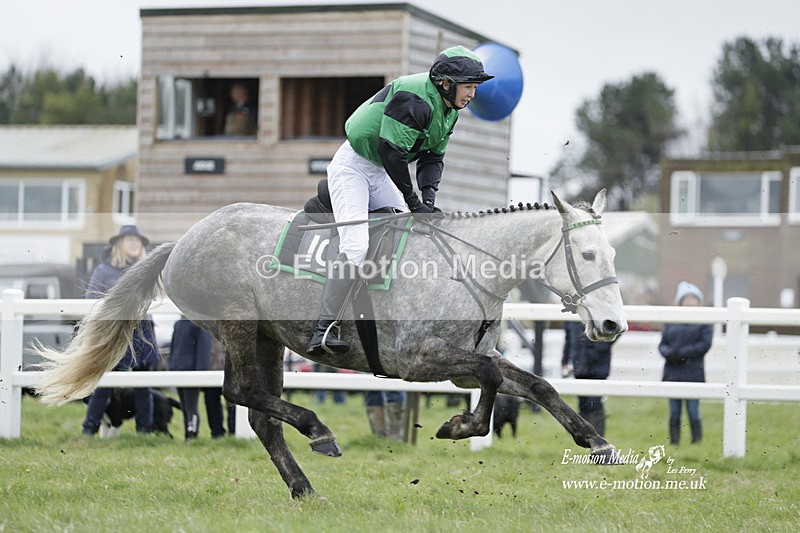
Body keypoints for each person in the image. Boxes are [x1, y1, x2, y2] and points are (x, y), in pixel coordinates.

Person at [307, 45, 494, 356]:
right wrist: (412, 200)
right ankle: (324, 328)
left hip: (380, 171)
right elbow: (392, 154)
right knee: (355, 246)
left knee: (415, 233)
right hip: (354, 167)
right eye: (469, 86)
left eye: (475, 87)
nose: (472, 94)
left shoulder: (449, 109)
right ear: (446, 83)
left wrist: (428, 201)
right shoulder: (415, 98)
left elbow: (432, 158)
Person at [82, 225, 160, 436]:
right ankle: (89, 431)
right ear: (119, 243)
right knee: (104, 385)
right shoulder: (104, 270)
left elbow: (155, 298)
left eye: (138, 241)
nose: (135, 244)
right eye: (130, 240)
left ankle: (145, 433)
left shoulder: (147, 270)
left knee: (144, 387)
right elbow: (91, 299)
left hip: (142, 333)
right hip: (115, 334)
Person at [659, 281, 713, 445]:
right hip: (672, 373)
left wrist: (682, 354)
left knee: (693, 410)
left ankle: (696, 442)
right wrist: (672, 354)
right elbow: (662, 345)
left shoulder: (704, 321)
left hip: (693, 372)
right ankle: (674, 442)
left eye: (693, 299)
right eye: (687, 299)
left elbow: (704, 344)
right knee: (674, 412)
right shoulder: (671, 321)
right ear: (680, 302)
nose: (690, 302)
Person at [170, 317, 233, 439]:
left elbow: (202, 352)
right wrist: (172, 367)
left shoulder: (200, 326)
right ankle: (189, 433)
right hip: (178, 372)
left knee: (191, 408)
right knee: (186, 407)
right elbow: (174, 348)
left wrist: (200, 374)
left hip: (193, 373)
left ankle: (192, 434)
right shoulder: (178, 324)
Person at [562, 321, 614, 437]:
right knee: (582, 403)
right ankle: (585, 437)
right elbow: (568, 341)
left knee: (595, 403)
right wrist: (564, 362)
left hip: (599, 364)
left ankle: (598, 438)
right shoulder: (571, 317)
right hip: (580, 364)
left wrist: (604, 344)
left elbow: (617, 329)